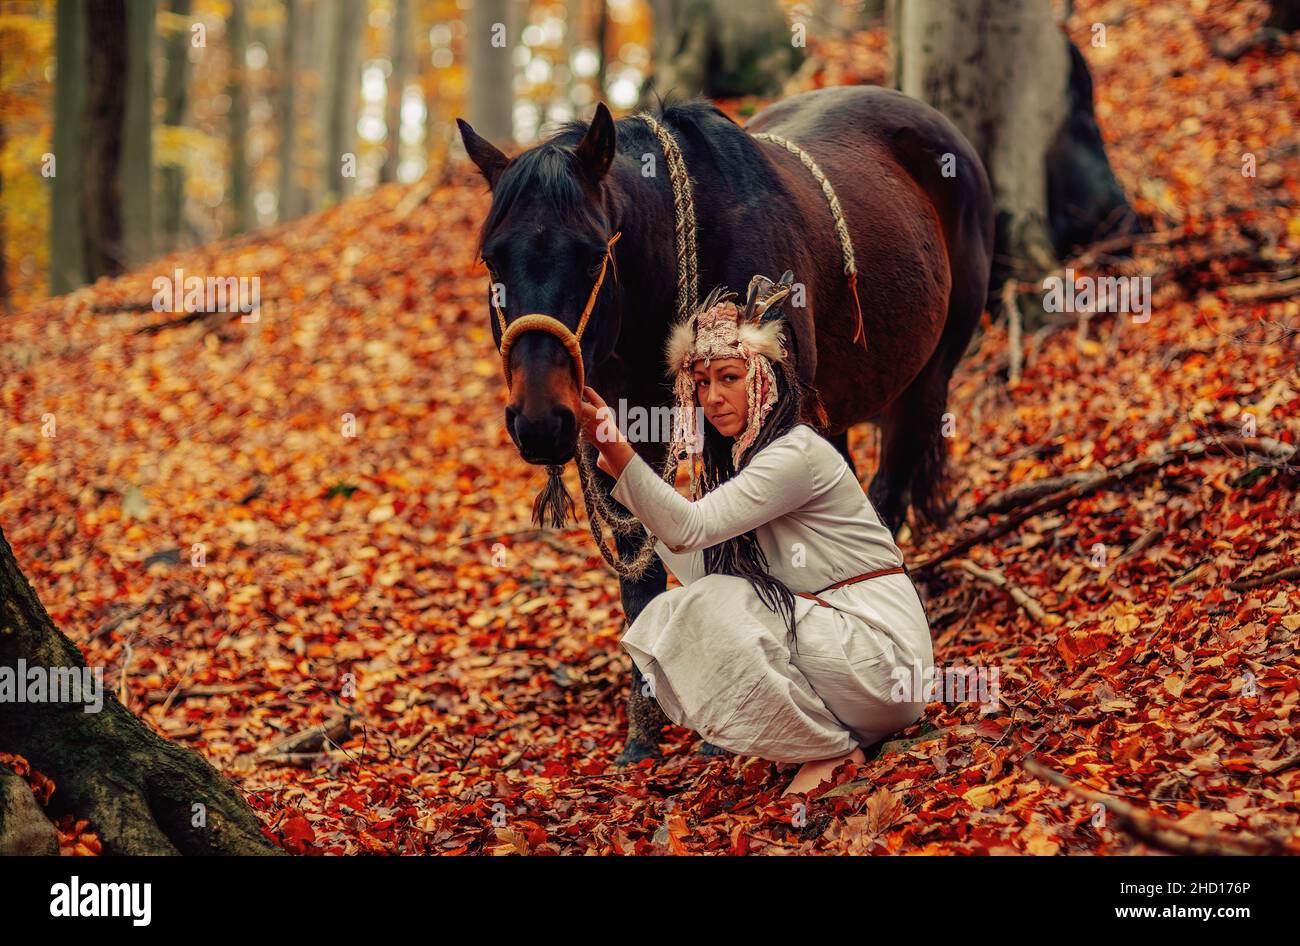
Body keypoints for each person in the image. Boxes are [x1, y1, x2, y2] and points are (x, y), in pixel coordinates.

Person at [577, 273, 934, 797]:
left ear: (763, 379)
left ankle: (831, 750)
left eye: (729, 377)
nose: (714, 397)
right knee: (688, 605)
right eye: (702, 384)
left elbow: (690, 528)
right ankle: (831, 739)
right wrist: (622, 480)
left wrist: (614, 444)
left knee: (710, 604)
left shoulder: (797, 453)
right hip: (850, 659)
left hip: (884, 655)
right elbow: (697, 562)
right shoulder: (751, 468)